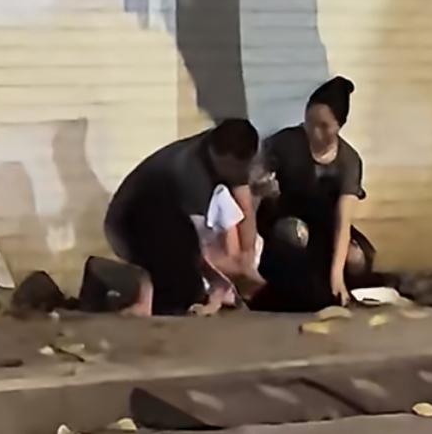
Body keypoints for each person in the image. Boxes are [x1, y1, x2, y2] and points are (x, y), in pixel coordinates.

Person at [104, 119, 264, 316]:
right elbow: (199, 249)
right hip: (127, 223)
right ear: (215, 154)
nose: (236, 174)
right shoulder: (189, 173)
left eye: (241, 168)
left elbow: (245, 207)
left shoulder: (234, 152)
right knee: (183, 292)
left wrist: (247, 262)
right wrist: (225, 281)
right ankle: (138, 294)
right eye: (231, 168)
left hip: (167, 216)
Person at [251, 76, 371, 312]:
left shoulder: (349, 161)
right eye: (310, 123)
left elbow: (343, 221)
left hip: (325, 224)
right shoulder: (285, 143)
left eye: (324, 126)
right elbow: (253, 184)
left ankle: (339, 289)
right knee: (295, 236)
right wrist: (263, 188)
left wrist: (337, 274)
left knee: (355, 258)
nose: (315, 132)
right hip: (285, 217)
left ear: (339, 125)